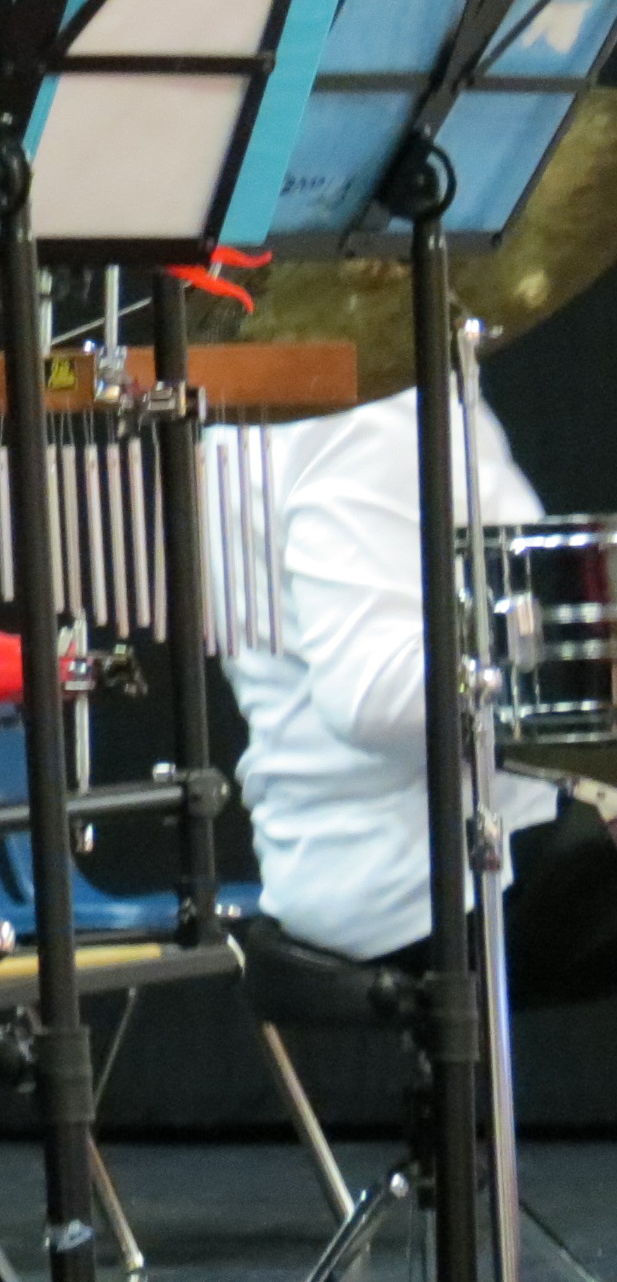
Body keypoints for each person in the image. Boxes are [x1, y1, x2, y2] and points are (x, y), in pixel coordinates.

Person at [224, 389, 617, 1002]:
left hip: (346, 863)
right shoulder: (370, 416)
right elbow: (372, 697)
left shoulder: (265, 407)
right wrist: (572, 656)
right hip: (437, 878)